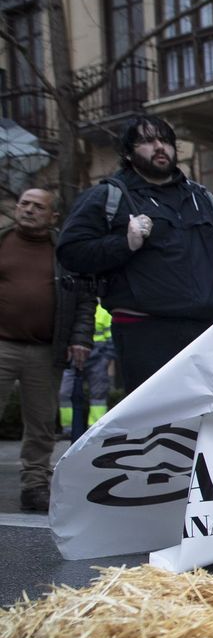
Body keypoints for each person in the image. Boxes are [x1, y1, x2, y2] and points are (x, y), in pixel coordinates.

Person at [57, 115, 213, 394]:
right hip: (144, 331)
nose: (159, 147)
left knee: (209, 422)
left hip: (204, 330)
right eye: (148, 141)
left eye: (165, 140)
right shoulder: (108, 196)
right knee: (157, 428)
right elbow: (71, 251)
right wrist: (124, 243)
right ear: (128, 153)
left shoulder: (202, 198)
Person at [1, 188, 96, 511]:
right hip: (2, 345)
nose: (28, 210)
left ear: (53, 216)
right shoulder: (2, 240)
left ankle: (35, 486)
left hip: (45, 350)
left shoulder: (65, 252)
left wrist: (81, 338)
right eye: (24, 204)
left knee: (41, 424)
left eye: (37, 206)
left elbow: (85, 300)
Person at [59, 304, 114, 440]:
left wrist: (106, 358)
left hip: (98, 359)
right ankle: (68, 429)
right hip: (73, 359)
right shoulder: (72, 311)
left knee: (98, 395)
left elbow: (111, 338)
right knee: (64, 393)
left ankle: (95, 428)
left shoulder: (103, 312)